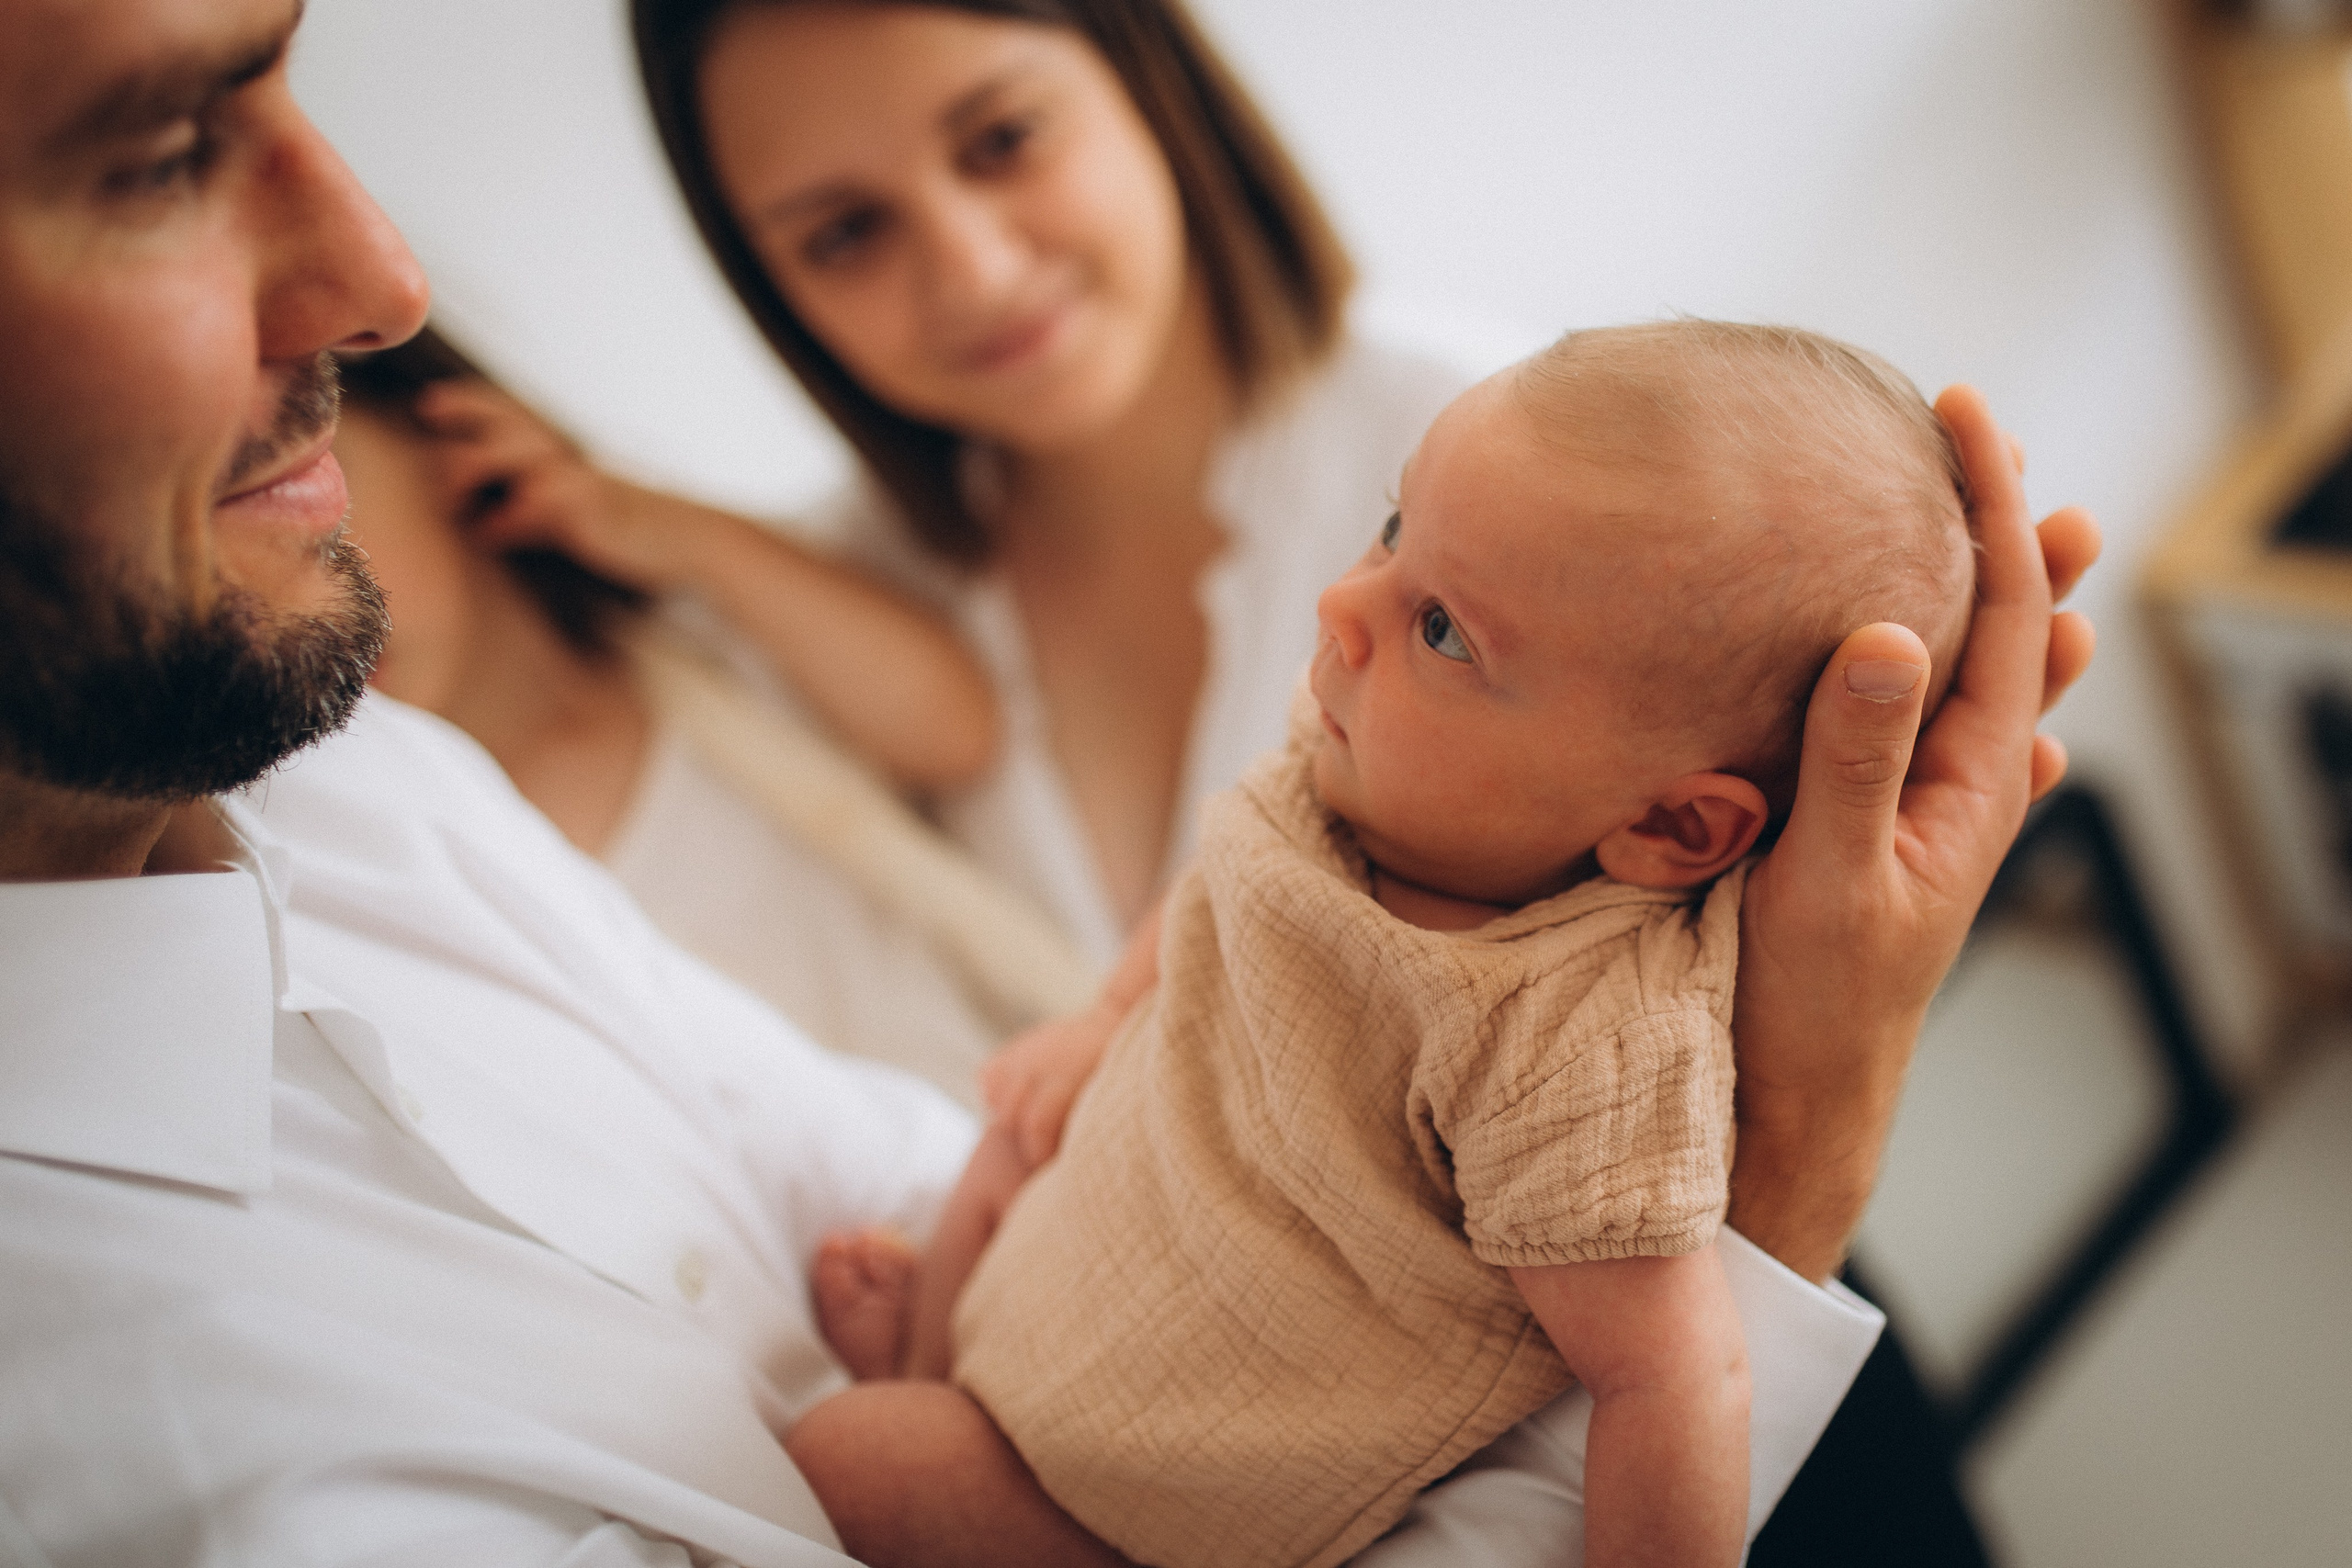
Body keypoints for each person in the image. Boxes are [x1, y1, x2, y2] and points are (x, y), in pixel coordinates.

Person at [0, 3, 2096, 1567]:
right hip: (1203, 1319)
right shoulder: (849, 598)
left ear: (1141, 82)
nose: (967, 270)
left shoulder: (1518, 451)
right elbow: (1144, 968)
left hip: (1631, 1317)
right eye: (837, 232)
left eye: (1001, 136)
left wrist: (1780, 1121)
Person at [796, 321, 1975, 1568]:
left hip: (1128, 1498)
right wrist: (1101, 1018)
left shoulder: (1569, 1038)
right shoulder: (1353, 766)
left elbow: (1675, 1379)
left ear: (1672, 821)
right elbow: (1225, 871)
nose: (1345, 604)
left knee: (852, 1456)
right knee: (1004, 1139)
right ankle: (938, 1341)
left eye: (1446, 631)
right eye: (1394, 531)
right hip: (1098, 1250)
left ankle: (935, 1399)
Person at [334, 328, 1090, 1100]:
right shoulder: (402, 882)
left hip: (1062, 1093)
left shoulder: (706, 639)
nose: (291, 614)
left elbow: (959, 731)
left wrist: (660, 523)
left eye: (306, 498)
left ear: (441, 437)